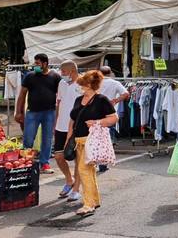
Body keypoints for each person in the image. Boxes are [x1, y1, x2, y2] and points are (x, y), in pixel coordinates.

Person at [67, 70, 118, 217]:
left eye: (83, 83)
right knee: (88, 171)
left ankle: (88, 204)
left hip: (92, 141)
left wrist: (97, 122)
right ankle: (94, 200)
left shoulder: (101, 100)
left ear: (90, 85)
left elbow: (114, 118)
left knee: (83, 170)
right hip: (78, 141)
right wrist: (68, 138)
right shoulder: (78, 99)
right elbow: (72, 120)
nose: (81, 86)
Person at [15, 53, 61, 174]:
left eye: (37, 63)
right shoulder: (30, 76)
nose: (35, 65)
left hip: (49, 112)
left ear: (45, 64)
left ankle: (44, 163)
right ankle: (25, 162)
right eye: (35, 63)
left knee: (47, 138)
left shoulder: (55, 76)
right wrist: (18, 112)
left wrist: (59, 113)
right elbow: (22, 95)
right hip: (32, 112)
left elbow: (60, 95)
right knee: (28, 138)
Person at [54, 60, 82, 201]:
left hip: (77, 127)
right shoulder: (61, 84)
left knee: (78, 159)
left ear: (72, 71)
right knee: (59, 156)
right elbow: (58, 103)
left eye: (63, 72)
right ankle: (69, 180)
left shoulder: (83, 84)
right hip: (61, 126)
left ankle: (76, 189)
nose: (62, 74)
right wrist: (55, 122)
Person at [97, 66, 130, 173]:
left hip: (95, 113)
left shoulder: (96, 82)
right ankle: (103, 163)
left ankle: (96, 160)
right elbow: (126, 94)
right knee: (106, 138)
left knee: (95, 137)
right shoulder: (114, 83)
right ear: (110, 73)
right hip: (109, 114)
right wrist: (116, 100)